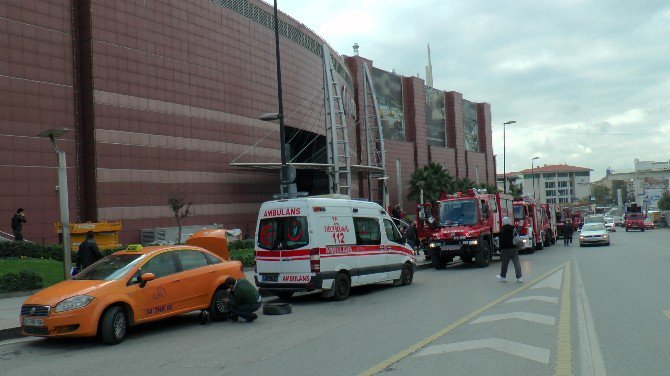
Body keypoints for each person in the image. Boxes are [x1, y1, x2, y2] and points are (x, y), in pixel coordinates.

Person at [497, 217, 523, 283]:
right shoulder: (513, 228)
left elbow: (501, 241)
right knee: (516, 263)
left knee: (504, 264)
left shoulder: (502, 230)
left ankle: (503, 276)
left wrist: (500, 249)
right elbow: (517, 236)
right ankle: (519, 278)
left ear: (503, 222)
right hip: (514, 248)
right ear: (508, 221)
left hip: (506, 249)